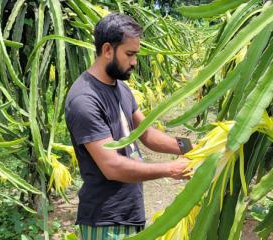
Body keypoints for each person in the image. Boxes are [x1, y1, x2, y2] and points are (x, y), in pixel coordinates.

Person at [65, 13, 191, 240]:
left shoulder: (120, 87)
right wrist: (170, 170)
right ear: (107, 50)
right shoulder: (84, 100)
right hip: (105, 222)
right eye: (129, 54)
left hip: (130, 213)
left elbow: (148, 134)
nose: (134, 62)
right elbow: (112, 166)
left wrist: (193, 147)